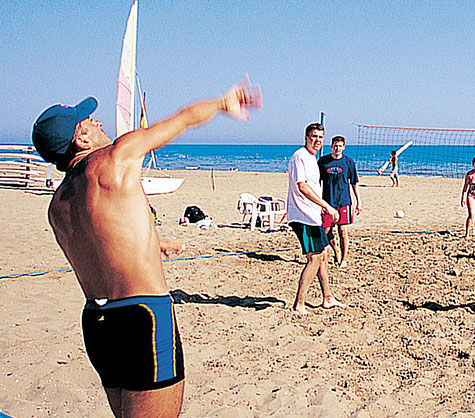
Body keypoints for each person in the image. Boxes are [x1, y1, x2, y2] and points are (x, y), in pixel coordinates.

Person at [32, 81, 261, 418]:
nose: (98, 122)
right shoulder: (115, 157)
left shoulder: (58, 205)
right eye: (89, 121)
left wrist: (156, 242)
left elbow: (103, 247)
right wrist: (223, 102)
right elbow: (183, 119)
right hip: (142, 316)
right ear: (81, 140)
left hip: (96, 322)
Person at [288, 123, 343, 314]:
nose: (317, 140)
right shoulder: (300, 156)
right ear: (306, 138)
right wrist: (326, 206)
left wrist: (320, 209)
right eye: (313, 136)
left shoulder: (312, 158)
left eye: (320, 137)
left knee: (324, 254)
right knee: (315, 257)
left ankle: (328, 298)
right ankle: (299, 304)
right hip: (302, 216)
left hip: (312, 215)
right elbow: (302, 186)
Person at [317, 135, 361, 267]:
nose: (337, 148)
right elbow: (317, 183)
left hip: (344, 201)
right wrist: (318, 203)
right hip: (328, 201)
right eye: (335, 146)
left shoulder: (349, 162)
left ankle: (343, 259)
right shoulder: (323, 162)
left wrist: (359, 201)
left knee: (342, 231)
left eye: (340, 146)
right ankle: (336, 251)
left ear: (344, 147)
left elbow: (354, 182)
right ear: (331, 146)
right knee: (326, 230)